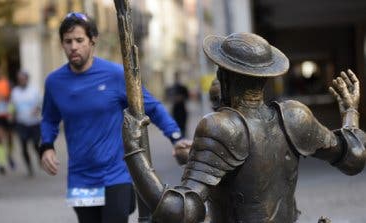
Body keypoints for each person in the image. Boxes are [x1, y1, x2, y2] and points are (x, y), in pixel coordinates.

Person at [122, 33, 366, 222]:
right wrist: (350, 112)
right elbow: (353, 157)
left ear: (226, 77)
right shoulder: (295, 116)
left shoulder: (221, 126)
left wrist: (134, 150)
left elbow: (181, 212)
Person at [39, 12, 191, 223]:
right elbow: (48, 118)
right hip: (80, 178)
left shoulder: (116, 75)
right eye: (68, 41)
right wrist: (46, 146)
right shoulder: (54, 82)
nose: (73, 47)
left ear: (93, 41)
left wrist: (175, 137)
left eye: (79, 40)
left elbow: (152, 106)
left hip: (115, 174)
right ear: (62, 44)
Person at [11, 70, 41, 177]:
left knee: (35, 144)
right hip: (21, 123)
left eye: (23, 78)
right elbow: (12, 106)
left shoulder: (34, 91)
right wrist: (11, 114)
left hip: (34, 123)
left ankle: (40, 157)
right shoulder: (15, 92)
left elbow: (40, 103)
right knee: (23, 147)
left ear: (27, 79)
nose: (22, 80)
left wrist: (36, 109)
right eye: (20, 79)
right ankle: (29, 168)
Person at [0, 64, 11, 175]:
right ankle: (1, 163)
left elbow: (11, 98)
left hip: (7, 115)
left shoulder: (5, 83)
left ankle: (9, 155)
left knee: (10, 139)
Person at [167, 71, 189, 137]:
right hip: (175, 110)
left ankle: (183, 138)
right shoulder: (171, 88)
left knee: (183, 127)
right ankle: (178, 139)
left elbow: (187, 97)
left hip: (182, 110)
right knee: (176, 126)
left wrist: (180, 98)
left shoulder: (183, 87)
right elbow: (168, 97)